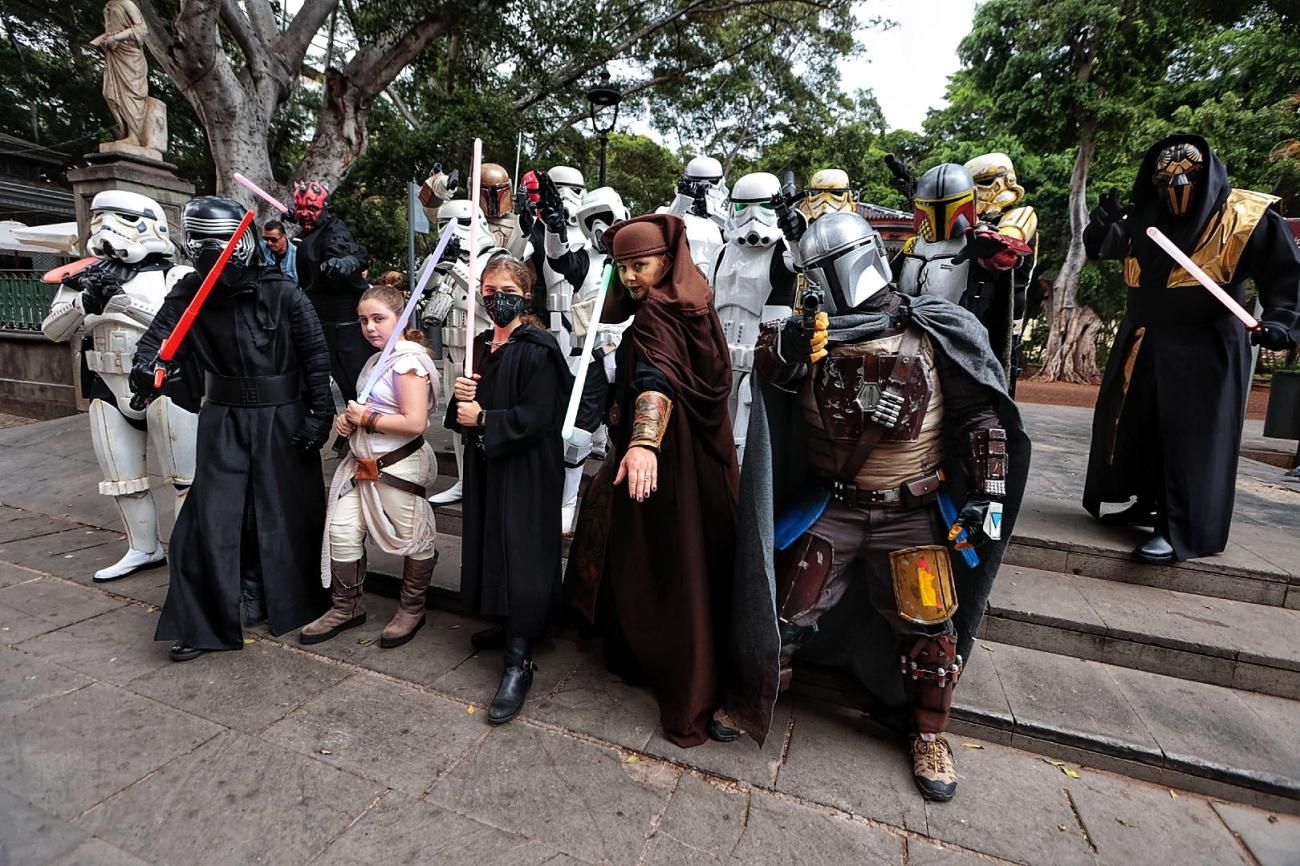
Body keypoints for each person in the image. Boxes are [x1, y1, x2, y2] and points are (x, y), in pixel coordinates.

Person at [720, 212, 1029, 801]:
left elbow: (979, 417)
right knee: (783, 613)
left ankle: (930, 734)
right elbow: (772, 375)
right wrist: (780, 348)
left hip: (911, 511)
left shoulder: (937, 328)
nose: (816, 285)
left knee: (932, 634)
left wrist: (988, 492)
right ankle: (753, 700)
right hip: (831, 507)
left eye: (821, 273)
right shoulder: (808, 333)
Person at [130, 196, 334, 661]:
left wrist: (318, 417)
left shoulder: (282, 292)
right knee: (212, 517)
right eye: (197, 242)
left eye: (217, 242)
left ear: (239, 242)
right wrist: (147, 370)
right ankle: (204, 621)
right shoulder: (188, 294)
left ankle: (273, 594)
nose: (207, 252)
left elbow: (315, 357)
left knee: (280, 512)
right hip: (222, 418)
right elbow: (157, 344)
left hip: (282, 418)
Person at [1082, 132, 1300, 562]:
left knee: (1190, 435)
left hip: (1205, 345)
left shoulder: (1244, 215)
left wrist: (1280, 324)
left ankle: (1179, 526)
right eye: (1166, 179)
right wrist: (1101, 225)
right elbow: (1105, 247)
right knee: (1137, 423)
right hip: (1143, 337)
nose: (1176, 189)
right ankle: (1146, 500)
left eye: (1187, 178)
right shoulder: (1147, 214)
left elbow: (1287, 280)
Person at [566, 213, 740, 747]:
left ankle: (677, 671)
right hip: (699, 456)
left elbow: (655, 378)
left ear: (667, 261)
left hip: (666, 459)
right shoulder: (695, 303)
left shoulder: (657, 317)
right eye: (622, 268)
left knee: (665, 559)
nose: (632, 277)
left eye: (640, 264)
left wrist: (643, 443)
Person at [41, 190, 199, 582]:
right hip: (107, 384)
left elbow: (184, 329)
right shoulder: (83, 278)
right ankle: (143, 549)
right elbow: (54, 330)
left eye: (121, 218)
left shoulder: (175, 275)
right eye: (99, 218)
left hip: (167, 384)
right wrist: (84, 304)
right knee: (122, 479)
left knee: (185, 480)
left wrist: (122, 304)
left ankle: (189, 556)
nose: (107, 228)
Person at [447, 256, 572, 723]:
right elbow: (462, 415)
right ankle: (504, 622)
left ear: (525, 296)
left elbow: (540, 415)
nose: (493, 296)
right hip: (487, 462)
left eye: (504, 289)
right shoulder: (477, 345)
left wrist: (483, 418)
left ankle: (520, 657)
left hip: (527, 467)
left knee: (520, 550)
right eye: (486, 288)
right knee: (490, 542)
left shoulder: (539, 348)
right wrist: (463, 400)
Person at [301, 284, 441, 648]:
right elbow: (367, 414)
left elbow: (414, 423)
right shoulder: (376, 362)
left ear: (401, 318)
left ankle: (413, 608)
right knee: (342, 531)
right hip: (363, 465)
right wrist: (348, 422)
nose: (370, 327)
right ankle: (347, 607)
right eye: (364, 320)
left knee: (413, 537)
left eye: (379, 319)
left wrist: (368, 418)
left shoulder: (408, 362)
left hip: (399, 466)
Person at [895, 164, 1033, 381]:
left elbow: (1007, 256)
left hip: (960, 351)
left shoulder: (982, 239)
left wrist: (991, 253)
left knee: (973, 409)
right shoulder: (914, 245)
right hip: (906, 344)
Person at [292, 180, 378, 404]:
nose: (305, 214)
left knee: (358, 390)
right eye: (300, 208)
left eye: (311, 209)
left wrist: (344, 263)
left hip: (345, 330)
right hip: (320, 322)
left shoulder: (335, 233)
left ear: (326, 209)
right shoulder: (316, 229)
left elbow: (350, 253)